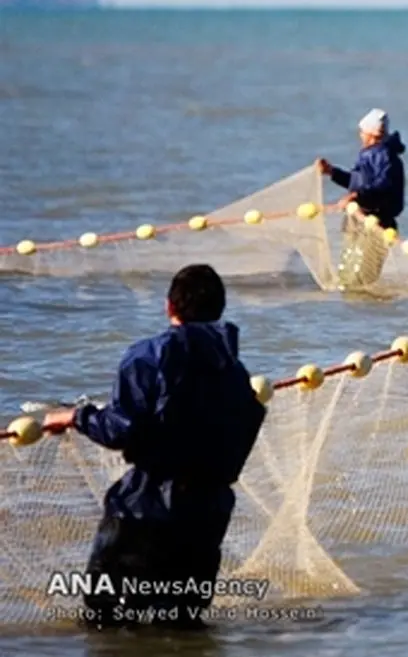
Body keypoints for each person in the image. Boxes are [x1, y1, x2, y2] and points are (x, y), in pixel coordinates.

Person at [42, 264, 266, 630]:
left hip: (145, 512)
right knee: (182, 627)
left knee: (105, 624)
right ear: (219, 310)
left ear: (169, 307)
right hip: (208, 515)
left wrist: (75, 417)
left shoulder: (148, 355)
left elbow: (120, 428)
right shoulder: (234, 370)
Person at [316, 108, 407, 230]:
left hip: (376, 222)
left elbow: (383, 186)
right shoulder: (372, 154)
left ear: (372, 134)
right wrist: (332, 171)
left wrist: (356, 196)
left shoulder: (383, 156)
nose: (360, 135)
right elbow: (358, 182)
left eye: (362, 131)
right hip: (362, 218)